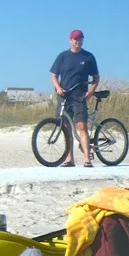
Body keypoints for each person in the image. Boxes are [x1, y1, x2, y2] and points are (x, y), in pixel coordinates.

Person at [49, 29, 100, 167]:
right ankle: (70, 159)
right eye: (76, 39)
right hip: (64, 96)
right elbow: (54, 75)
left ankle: (87, 159)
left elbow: (96, 78)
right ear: (70, 40)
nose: (78, 41)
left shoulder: (88, 57)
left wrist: (91, 91)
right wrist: (58, 88)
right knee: (66, 128)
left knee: (81, 126)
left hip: (79, 96)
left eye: (80, 39)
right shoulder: (63, 56)